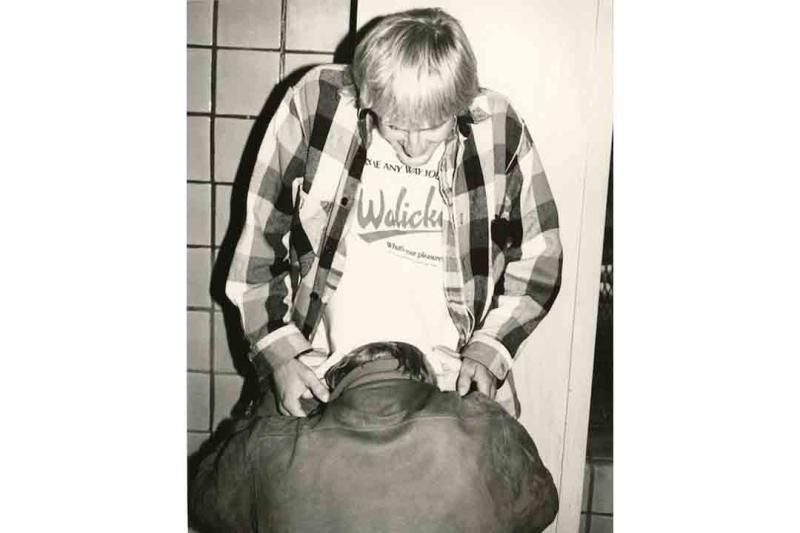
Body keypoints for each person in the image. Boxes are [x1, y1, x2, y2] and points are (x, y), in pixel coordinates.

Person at [225, 8, 562, 417]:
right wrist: (281, 356)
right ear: (369, 97)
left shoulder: (497, 125)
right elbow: (259, 246)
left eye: (433, 126)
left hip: (450, 389)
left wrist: (490, 350)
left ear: (461, 103)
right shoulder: (317, 103)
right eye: (397, 124)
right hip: (322, 381)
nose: (413, 146)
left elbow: (540, 254)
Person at [189, 342, 559, 533]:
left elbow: (203, 503)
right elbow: (542, 508)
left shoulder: (269, 444)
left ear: (331, 387)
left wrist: (266, 410)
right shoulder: (486, 427)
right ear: (426, 379)